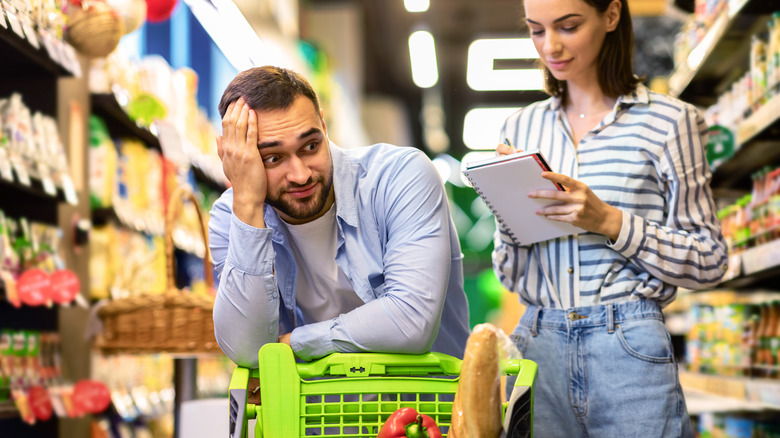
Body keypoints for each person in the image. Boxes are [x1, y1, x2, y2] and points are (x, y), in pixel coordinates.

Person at [492, 0, 728, 436]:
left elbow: (711, 259)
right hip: (538, 343)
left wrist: (610, 221)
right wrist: (510, 215)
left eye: (568, 26)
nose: (552, 46)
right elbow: (510, 275)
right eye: (536, 30)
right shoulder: (520, 127)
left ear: (611, 15)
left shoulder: (669, 122)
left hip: (629, 345)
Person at [208, 66, 470, 369]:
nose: (301, 174)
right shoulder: (232, 215)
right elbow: (245, 349)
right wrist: (248, 204)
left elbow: (411, 321)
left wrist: (294, 344)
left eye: (310, 146)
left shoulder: (400, 177)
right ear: (239, 157)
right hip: (311, 416)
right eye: (273, 158)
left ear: (323, 124)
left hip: (425, 407)